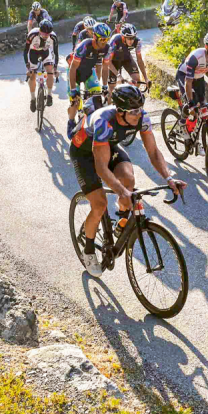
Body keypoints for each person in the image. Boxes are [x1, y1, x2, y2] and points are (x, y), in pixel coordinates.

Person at [69, 84, 186, 276]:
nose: (138, 114)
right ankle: (88, 250)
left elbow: (154, 152)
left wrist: (169, 177)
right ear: (120, 112)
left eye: (140, 108)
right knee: (99, 204)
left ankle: (121, 220)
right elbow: (100, 167)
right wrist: (121, 191)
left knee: (128, 179)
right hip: (84, 154)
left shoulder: (142, 117)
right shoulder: (103, 122)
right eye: (133, 111)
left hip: (108, 145)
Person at [67, 23, 113, 137]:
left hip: (88, 73)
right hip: (75, 72)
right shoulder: (84, 46)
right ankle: (71, 122)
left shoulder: (107, 48)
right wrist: (73, 89)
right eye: (102, 39)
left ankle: (93, 122)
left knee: (97, 97)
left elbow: (105, 67)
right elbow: (73, 68)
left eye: (107, 39)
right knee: (75, 102)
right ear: (95, 37)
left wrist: (105, 86)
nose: (104, 42)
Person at [175, 32, 208, 118]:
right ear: (207, 47)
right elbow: (188, 82)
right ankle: (182, 121)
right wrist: (191, 104)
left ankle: (202, 125)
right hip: (184, 76)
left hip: (199, 77)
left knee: (203, 104)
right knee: (191, 103)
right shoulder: (195, 57)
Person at [24, 21, 59, 110]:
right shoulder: (32, 35)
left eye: (47, 34)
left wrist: (55, 68)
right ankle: (32, 99)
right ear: (39, 30)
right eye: (43, 34)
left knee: (50, 72)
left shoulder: (53, 37)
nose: (45, 36)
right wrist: (28, 67)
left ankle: (49, 95)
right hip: (33, 53)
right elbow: (25, 51)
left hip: (45, 53)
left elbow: (56, 53)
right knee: (32, 76)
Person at [106, 24, 149, 88]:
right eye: (129, 38)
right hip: (113, 61)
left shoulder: (137, 42)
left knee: (137, 81)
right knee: (111, 89)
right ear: (123, 37)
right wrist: (119, 76)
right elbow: (108, 62)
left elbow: (139, 60)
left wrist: (146, 78)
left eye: (133, 37)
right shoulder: (115, 40)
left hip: (126, 59)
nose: (131, 40)